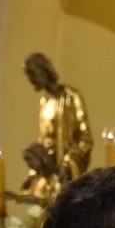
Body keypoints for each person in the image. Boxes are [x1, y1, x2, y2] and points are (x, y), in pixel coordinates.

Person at [22, 52, 92, 182]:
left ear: (44, 70)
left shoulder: (71, 97)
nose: (30, 79)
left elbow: (86, 139)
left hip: (67, 172)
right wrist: (34, 172)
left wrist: (68, 165)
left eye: (32, 73)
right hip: (49, 174)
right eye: (27, 75)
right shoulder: (44, 101)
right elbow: (43, 140)